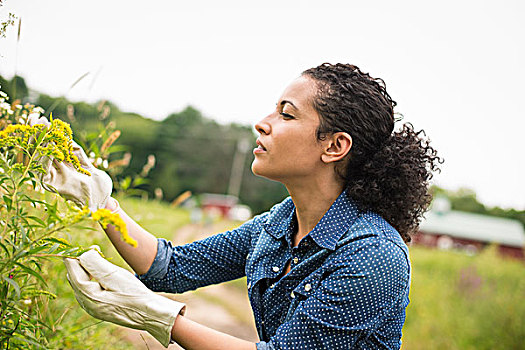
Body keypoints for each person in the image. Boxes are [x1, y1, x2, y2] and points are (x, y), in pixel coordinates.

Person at [56, 63, 441, 349]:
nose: (262, 123)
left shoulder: (373, 255)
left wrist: (158, 317)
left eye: (286, 114)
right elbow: (170, 268)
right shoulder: (279, 224)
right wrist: (102, 203)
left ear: (335, 146)